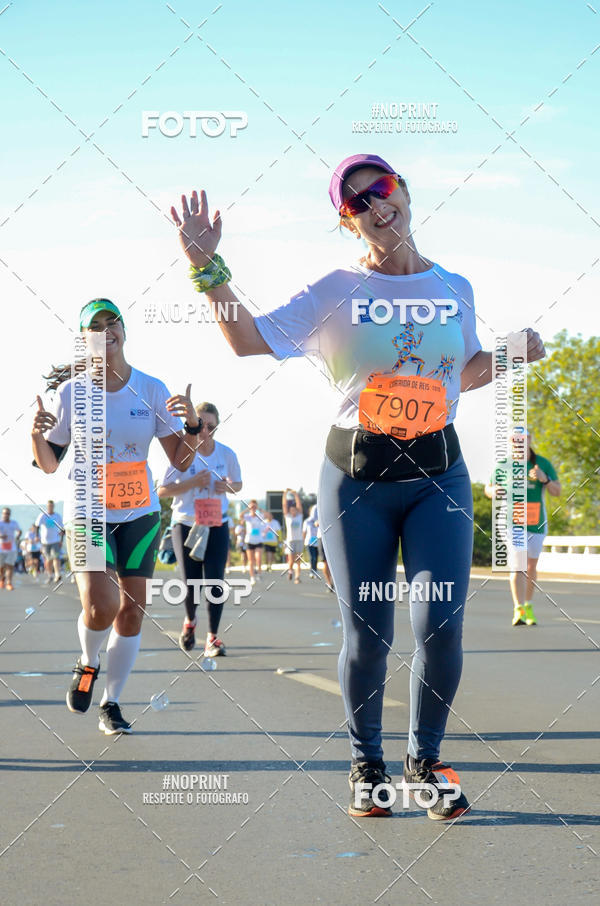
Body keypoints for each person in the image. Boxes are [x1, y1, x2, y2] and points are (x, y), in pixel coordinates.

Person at [171, 156, 545, 820]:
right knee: (369, 635)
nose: (375, 205)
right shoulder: (334, 292)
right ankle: (366, 764)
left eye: (382, 189)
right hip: (357, 481)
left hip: (438, 477)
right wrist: (206, 267)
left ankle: (425, 762)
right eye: (356, 203)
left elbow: (462, 373)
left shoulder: (454, 286)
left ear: (405, 191)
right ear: (347, 222)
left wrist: (511, 353)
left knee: (440, 626)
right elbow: (246, 339)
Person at [32, 298, 202, 735]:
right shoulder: (72, 393)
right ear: (85, 339)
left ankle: (111, 703)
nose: (107, 332)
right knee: (100, 605)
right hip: (88, 511)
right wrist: (36, 436)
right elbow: (49, 465)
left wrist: (192, 427)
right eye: (96, 327)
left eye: (113, 323)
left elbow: (181, 460)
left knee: (132, 611)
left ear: (124, 331)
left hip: (139, 512)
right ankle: (88, 662)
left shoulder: (150, 388)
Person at [157, 402, 242, 656]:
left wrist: (227, 487)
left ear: (217, 427)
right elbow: (162, 490)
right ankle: (190, 620)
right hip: (186, 523)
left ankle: (213, 638)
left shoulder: (226, 454)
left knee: (216, 581)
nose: (205, 431)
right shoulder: (182, 455)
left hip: (216, 521)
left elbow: (238, 484)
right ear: (193, 425)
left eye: (211, 427)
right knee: (191, 583)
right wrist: (192, 482)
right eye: (201, 425)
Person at [485, 430, 560, 626]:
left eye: (523, 440)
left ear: (529, 440)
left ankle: (528, 605)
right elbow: (488, 487)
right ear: (511, 443)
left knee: (531, 565)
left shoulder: (542, 463)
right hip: (512, 522)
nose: (518, 443)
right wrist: (493, 491)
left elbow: (557, 491)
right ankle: (518, 609)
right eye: (515, 440)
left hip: (536, 522)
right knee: (519, 562)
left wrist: (545, 479)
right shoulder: (503, 465)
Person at [35, 500, 65, 585]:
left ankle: (57, 574)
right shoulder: (42, 515)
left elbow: (62, 529)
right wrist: (37, 536)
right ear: (47, 506)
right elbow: (37, 526)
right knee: (48, 559)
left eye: (51, 506)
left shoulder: (57, 516)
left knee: (56, 557)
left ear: (53, 506)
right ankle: (50, 575)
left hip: (55, 540)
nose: (50, 507)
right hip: (45, 542)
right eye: (49, 506)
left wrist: (61, 540)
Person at [240, 500, 264, 585]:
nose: (253, 508)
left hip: (258, 540)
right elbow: (240, 516)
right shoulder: (247, 516)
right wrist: (248, 508)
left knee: (258, 558)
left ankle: (259, 574)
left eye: (254, 506)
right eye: (252, 507)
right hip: (249, 541)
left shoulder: (260, 516)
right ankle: (252, 577)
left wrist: (259, 509)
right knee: (251, 560)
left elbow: (268, 516)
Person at [283, 489, 304, 583]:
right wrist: (285, 494)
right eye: (292, 510)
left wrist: (295, 494)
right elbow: (284, 505)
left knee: (298, 560)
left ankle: (297, 577)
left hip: (299, 540)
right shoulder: (288, 517)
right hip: (290, 540)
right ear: (290, 511)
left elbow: (299, 505)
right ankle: (290, 571)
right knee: (291, 560)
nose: (293, 511)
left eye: (295, 510)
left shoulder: (299, 516)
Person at [0, 508, 22, 591]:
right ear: (2, 514)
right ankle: (2, 579)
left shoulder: (14, 523)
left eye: (8, 513)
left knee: (10, 565)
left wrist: (18, 535)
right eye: (5, 513)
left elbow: (19, 531)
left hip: (11, 548)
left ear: (10, 514)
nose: (6, 515)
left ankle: (9, 583)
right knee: (1, 567)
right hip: (1, 548)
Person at [303, 504, 320, 578]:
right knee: (312, 557)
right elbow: (304, 532)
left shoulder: (319, 520)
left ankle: (315, 571)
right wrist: (303, 541)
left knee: (316, 557)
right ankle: (312, 571)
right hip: (309, 542)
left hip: (317, 541)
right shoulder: (306, 521)